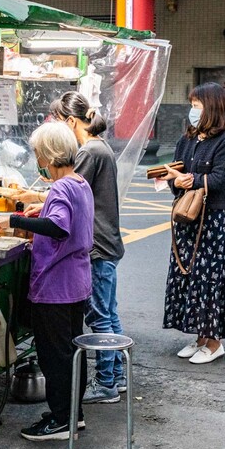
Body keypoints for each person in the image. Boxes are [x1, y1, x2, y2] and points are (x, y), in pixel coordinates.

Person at [0, 121, 93, 441]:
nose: (36, 159)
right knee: (72, 351)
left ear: (48, 154)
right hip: (76, 284)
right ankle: (73, 414)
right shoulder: (79, 183)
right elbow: (68, 217)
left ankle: (60, 421)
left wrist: (12, 219)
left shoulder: (61, 187)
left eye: (37, 153)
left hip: (56, 286)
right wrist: (42, 206)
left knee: (53, 355)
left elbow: (59, 227)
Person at [49, 91, 126, 404]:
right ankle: (117, 375)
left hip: (96, 246)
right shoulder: (99, 147)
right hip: (108, 243)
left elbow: (69, 193)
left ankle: (105, 383)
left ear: (70, 121)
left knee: (99, 317)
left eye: (57, 122)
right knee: (110, 313)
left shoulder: (89, 152)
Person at [160, 82, 225, 364]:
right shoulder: (188, 139)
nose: (192, 111)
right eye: (192, 105)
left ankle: (215, 342)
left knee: (210, 280)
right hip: (187, 219)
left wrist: (191, 180)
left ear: (212, 108)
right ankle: (199, 338)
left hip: (211, 222)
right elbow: (177, 170)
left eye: (197, 105)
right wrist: (172, 178)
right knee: (189, 277)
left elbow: (219, 179)